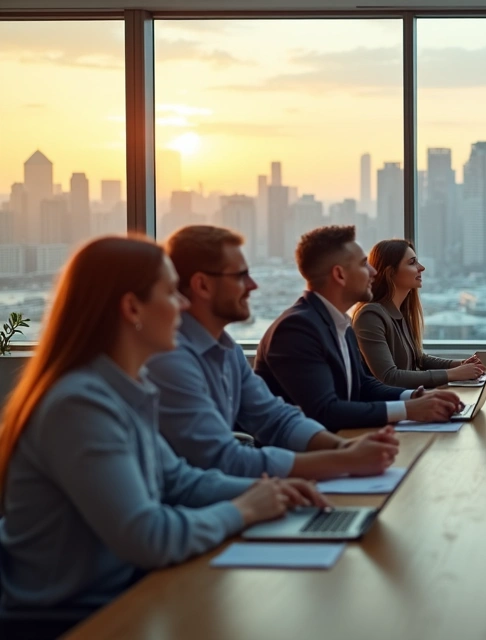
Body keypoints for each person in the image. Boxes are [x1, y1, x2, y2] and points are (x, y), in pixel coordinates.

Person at [0, 236, 326, 610]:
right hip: (73, 620)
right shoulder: (78, 404)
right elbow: (148, 536)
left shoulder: (125, 388)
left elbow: (179, 481)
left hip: (124, 597)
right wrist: (246, 509)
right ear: (132, 308)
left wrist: (271, 490)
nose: (185, 305)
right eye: (172, 293)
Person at [147, 225, 400, 480]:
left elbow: (276, 418)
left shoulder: (229, 350)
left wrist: (343, 447)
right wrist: (341, 459)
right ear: (202, 285)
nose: (253, 285)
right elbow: (219, 459)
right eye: (240, 276)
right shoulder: (171, 358)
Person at [255, 226, 462, 432]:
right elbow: (325, 412)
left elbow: (363, 385)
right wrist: (408, 409)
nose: (373, 272)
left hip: (343, 443)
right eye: (364, 264)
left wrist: (416, 396)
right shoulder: (296, 330)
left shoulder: (340, 324)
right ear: (340, 275)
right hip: (305, 457)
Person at [353, 239, 485, 388]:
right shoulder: (370, 316)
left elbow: (419, 359)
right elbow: (389, 377)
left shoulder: (400, 312)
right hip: (391, 408)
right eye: (412, 263)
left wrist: (460, 365)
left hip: (410, 402)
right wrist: (453, 374)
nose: (421, 268)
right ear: (390, 273)